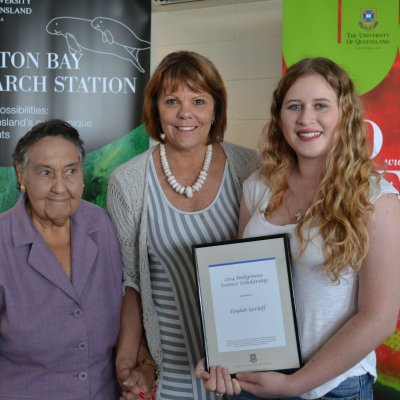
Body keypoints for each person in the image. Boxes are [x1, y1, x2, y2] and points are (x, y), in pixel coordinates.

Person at [195, 57, 400, 399]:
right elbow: (241, 288)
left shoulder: (376, 199)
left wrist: (294, 384)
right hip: (258, 383)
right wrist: (225, 357)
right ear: (279, 117)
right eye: (294, 106)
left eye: (321, 105)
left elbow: (378, 318)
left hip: (335, 390)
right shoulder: (258, 187)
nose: (306, 119)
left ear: (344, 115)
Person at [107, 50, 259, 399]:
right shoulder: (127, 182)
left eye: (199, 100)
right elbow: (129, 280)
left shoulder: (250, 167)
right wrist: (128, 360)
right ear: (155, 108)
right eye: (172, 100)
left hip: (242, 374)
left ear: (215, 109)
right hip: (170, 372)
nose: (185, 113)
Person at [0, 119, 123, 399]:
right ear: (21, 175)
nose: (59, 186)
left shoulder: (99, 224)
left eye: (70, 171)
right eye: (45, 172)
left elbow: (124, 294)